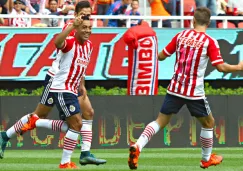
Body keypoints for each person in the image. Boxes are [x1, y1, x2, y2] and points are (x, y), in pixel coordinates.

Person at [128, 7, 243, 170]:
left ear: (193, 20)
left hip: (175, 88)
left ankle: (138, 145)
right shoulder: (209, 41)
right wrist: (238, 67)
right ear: (208, 22)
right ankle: (205, 159)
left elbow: (161, 56)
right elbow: (221, 67)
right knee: (209, 123)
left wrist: (160, 53)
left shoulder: (181, 35)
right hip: (194, 92)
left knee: (160, 121)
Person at [0, 0, 106, 167]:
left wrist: (82, 83)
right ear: (76, 14)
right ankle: (5, 136)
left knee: (87, 113)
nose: (87, 17)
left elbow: (81, 61)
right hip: (58, 77)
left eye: (89, 14)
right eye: (84, 14)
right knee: (40, 116)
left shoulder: (86, 34)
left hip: (72, 80)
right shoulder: (71, 29)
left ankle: (85, 152)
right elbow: (61, 46)